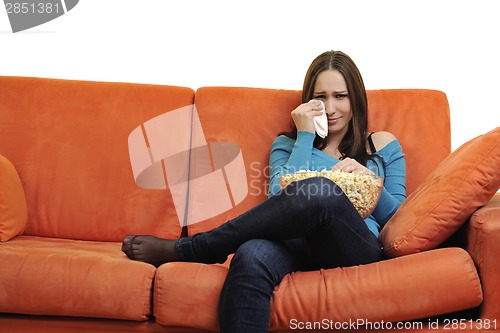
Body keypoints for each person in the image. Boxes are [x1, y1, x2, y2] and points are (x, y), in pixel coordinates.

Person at [121, 50, 407, 332]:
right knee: (250, 253)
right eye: (320, 97)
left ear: (356, 98)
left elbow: (400, 219)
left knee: (321, 190)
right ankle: (206, 249)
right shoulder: (288, 144)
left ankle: (197, 248)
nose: (330, 108)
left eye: (340, 96)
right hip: (296, 244)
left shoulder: (381, 145)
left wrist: (372, 182)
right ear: (308, 101)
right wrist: (305, 135)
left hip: (354, 245)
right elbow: (280, 201)